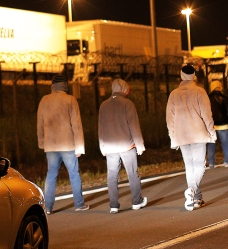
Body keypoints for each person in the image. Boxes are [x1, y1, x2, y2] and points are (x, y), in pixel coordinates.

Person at [166, 64, 215, 211]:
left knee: (189, 166)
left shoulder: (173, 94)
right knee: (200, 165)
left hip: (181, 135)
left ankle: (196, 198)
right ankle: (192, 190)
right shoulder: (200, 91)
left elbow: (170, 119)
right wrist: (212, 132)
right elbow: (207, 114)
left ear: (181, 76)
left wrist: (172, 137)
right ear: (194, 76)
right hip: (198, 133)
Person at [37, 74, 88, 212]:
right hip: (68, 144)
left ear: (52, 86)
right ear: (65, 85)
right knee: (74, 173)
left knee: (51, 174)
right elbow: (76, 125)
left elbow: (40, 124)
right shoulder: (70, 100)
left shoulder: (44, 100)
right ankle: (79, 204)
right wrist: (79, 147)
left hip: (50, 145)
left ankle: (48, 207)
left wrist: (42, 143)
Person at [98, 78, 147, 214]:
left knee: (112, 176)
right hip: (127, 145)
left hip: (109, 147)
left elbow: (101, 128)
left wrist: (102, 146)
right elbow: (134, 126)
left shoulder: (103, 105)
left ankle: (113, 205)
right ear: (125, 89)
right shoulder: (128, 104)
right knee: (132, 173)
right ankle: (136, 202)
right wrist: (140, 145)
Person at [206, 79, 228, 168]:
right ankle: (227, 161)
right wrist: (227, 120)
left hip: (211, 124)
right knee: (225, 144)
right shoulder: (224, 98)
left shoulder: (208, 98)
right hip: (223, 124)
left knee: (211, 144)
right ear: (220, 87)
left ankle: (211, 163)